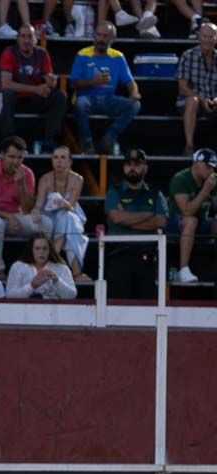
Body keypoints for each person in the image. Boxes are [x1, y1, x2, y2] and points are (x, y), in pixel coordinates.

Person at [0, 136, 49, 270]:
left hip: (13, 219)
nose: (16, 162)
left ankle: (41, 268)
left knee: (46, 223)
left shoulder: (27, 173)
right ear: (2, 155)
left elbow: (27, 209)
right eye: (12, 157)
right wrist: (8, 216)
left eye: (20, 158)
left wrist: (21, 186)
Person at [68, 22, 141, 155]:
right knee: (80, 103)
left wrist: (134, 92)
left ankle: (109, 138)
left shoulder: (118, 56)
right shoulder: (83, 54)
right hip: (87, 98)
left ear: (112, 38)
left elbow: (130, 81)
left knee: (135, 105)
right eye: (99, 35)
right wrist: (94, 82)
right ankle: (87, 142)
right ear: (94, 36)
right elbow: (73, 84)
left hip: (109, 99)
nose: (101, 39)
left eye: (106, 36)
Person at [104, 147, 166, 299]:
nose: (132, 168)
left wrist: (127, 220)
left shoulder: (156, 193)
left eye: (137, 164)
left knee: (147, 311)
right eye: (128, 164)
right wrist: (148, 214)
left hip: (146, 260)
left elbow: (161, 221)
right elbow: (116, 218)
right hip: (119, 257)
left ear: (145, 168)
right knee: (116, 311)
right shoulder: (114, 191)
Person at [0, 25, 68, 152]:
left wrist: (51, 81)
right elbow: (6, 83)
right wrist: (36, 89)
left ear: (35, 39)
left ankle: (50, 140)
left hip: (34, 100)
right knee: (7, 93)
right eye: (23, 36)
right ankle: (8, 141)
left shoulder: (42, 54)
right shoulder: (9, 53)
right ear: (17, 39)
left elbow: (49, 77)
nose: (26, 40)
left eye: (30, 36)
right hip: (15, 100)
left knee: (60, 96)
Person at [33, 146, 89, 282]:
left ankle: (50, 260)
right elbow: (39, 204)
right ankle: (76, 272)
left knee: (68, 219)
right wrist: (35, 210)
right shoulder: (45, 179)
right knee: (68, 225)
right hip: (50, 216)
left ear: (70, 162)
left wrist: (65, 204)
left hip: (70, 212)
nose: (59, 161)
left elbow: (71, 205)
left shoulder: (78, 179)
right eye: (56, 157)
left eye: (63, 157)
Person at [166, 148, 217, 285]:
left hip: (200, 222)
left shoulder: (211, 180)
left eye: (213, 167)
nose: (211, 170)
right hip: (176, 224)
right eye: (208, 166)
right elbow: (186, 211)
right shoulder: (180, 179)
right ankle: (183, 269)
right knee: (191, 221)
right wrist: (206, 189)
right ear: (196, 164)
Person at [178, 22, 217, 156]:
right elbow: (182, 87)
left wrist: (215, 100)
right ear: (199, 37)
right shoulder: (188, 56)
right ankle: (189, 145)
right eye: (204, 36)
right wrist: (202, 99)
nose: (207, 40)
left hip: (213, 100)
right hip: (191, 100)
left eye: (211, 37)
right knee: (192, 100)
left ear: (216, 38)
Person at [5, 233, 78, 299]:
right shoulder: (18, 267)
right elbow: (9, 295)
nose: (41, 252)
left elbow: (72, 295)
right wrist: (32, 286)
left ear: (50, 250)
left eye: (45, 248)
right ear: (31, 250)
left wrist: (57, 280)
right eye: (37, 248)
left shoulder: (62, 268)